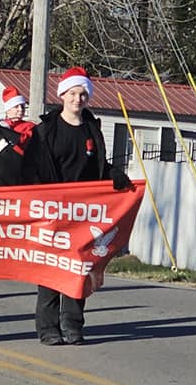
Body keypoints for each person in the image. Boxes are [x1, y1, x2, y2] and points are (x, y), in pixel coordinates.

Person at [22, 66, 132, 345]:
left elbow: (96, 166)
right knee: (51, 267)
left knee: (78, 269)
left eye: (82, 94)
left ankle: (72, 325)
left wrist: (113, 175)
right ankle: (47, 328)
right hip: (51, 211)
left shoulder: (92, 130)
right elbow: (31, 168)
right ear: (63, 95)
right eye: (72, 93)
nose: (77, 99)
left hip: (83, 212)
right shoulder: (46, 130)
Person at [0, 86, 37, 187]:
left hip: (19, 178)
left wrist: (0, 129)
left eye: (22, 107)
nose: (20, 110)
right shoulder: (0, 124)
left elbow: (22, 140)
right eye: (16, 107)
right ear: (8, 110)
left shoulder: (30, 126)